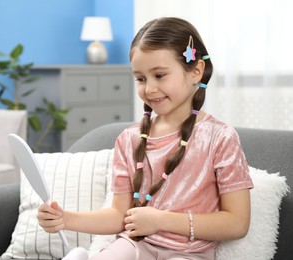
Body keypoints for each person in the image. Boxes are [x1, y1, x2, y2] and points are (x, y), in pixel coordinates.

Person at [37, 17, 254, 260]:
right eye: (141, 79)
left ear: (195, 71)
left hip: (188, 254)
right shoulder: (129, 139)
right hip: (135, 246)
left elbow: (237, 223)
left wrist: (160, 220)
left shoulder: (220, 138)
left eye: (159, 75)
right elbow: (119, 215)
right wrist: (65, 219)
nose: (149, 88)